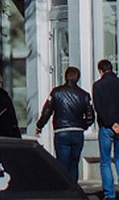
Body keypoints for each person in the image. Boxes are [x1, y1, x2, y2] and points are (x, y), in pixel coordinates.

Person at [36, 66, 95, 181]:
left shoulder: (56, 92)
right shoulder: (84, 95)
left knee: (62, 164)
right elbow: (90, 117)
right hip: (77, 132)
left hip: (61, 131)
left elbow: (47, 111)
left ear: (65, 77)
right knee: (74, 163)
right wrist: (83, 125)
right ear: (78, 78)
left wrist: (39, 126)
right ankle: (74, 189)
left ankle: (64, 190)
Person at [94, 60, 119, 200]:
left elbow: (99, 108)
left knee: (105, 162)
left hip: (106, 127)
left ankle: (110, 194)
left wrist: (111, 124)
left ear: (100, 71)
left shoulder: (98, 86)